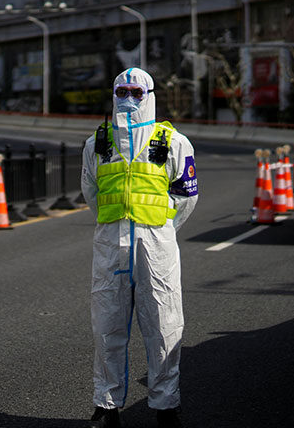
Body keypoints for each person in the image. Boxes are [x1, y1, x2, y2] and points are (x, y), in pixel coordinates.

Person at [81, 67, 199, 428]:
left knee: (164, 327)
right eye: (121, 92)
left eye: (136, 92)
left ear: (149, 95)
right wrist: (116, 225)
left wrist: (161, 229)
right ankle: (106, 405)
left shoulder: (173, 142)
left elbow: (186, 196)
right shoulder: (97, 143)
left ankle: (165, 406)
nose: (128, 99)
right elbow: (91, 192)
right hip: (110, 247)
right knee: (107, 328)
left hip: (155, 248)